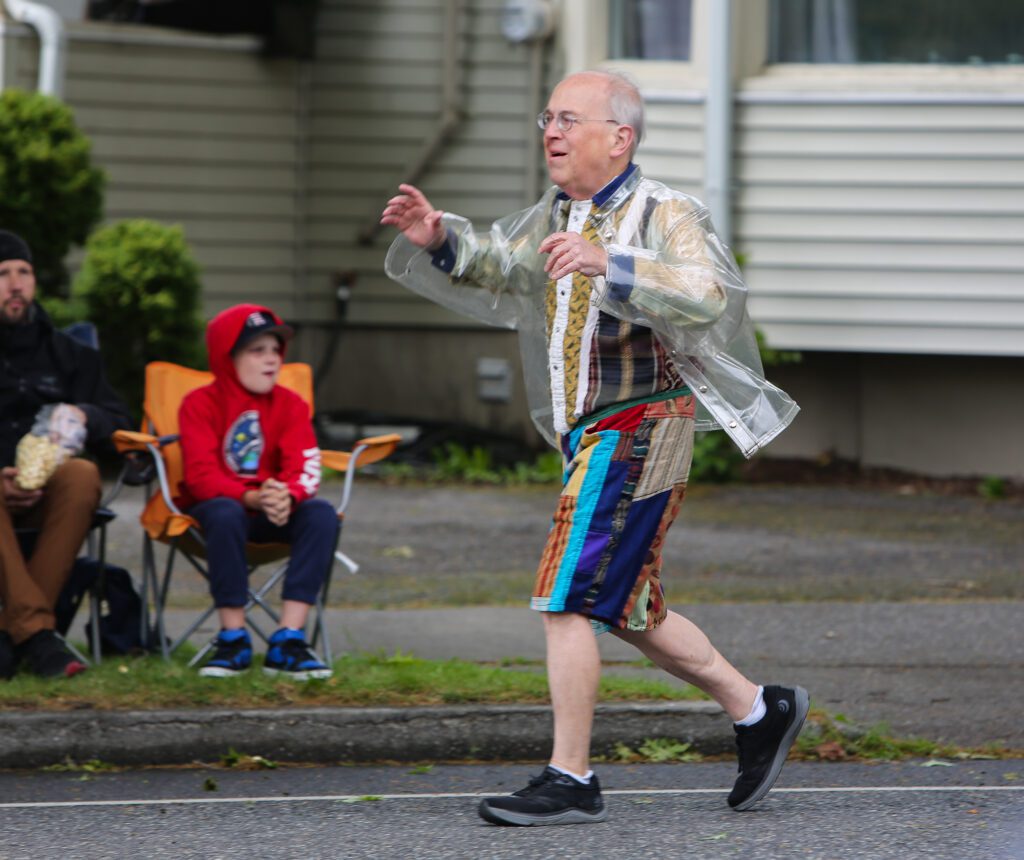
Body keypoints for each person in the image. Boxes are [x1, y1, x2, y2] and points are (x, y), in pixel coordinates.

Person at [381, 70, 808, 825]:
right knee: (628, 604)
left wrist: (610, 262)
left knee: (567, 594)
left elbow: (708, 295)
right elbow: (507, 267)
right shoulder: (559, 212)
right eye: (547, 115)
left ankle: (570, 777)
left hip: (642, 424)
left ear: (620, 138)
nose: (551, 128)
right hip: (606, 432)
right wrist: (442, 237)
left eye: (570, 118)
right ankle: (758, 711)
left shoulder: (664, 209)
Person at [177, 304, 337, 680]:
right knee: (223, 511)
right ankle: (233, 639)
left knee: (321, 514)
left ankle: (289, 639)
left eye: (275, 350)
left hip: (272, 512)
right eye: (257, 350)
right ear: (227, 358)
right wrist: (250, 497)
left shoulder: (291, 405)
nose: (271, 359)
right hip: (217, 517)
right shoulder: (199, 405)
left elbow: (305, 466)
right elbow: (200, 477)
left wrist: (289, 496)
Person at [0, 230, 133, 680]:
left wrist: (85, 415)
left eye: (24, 272)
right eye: (2, 274)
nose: (16, 284)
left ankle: (9, 634)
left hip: (50, 493)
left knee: (81, 474)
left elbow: (119, 424)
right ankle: (36, 636)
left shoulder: (69, 355)